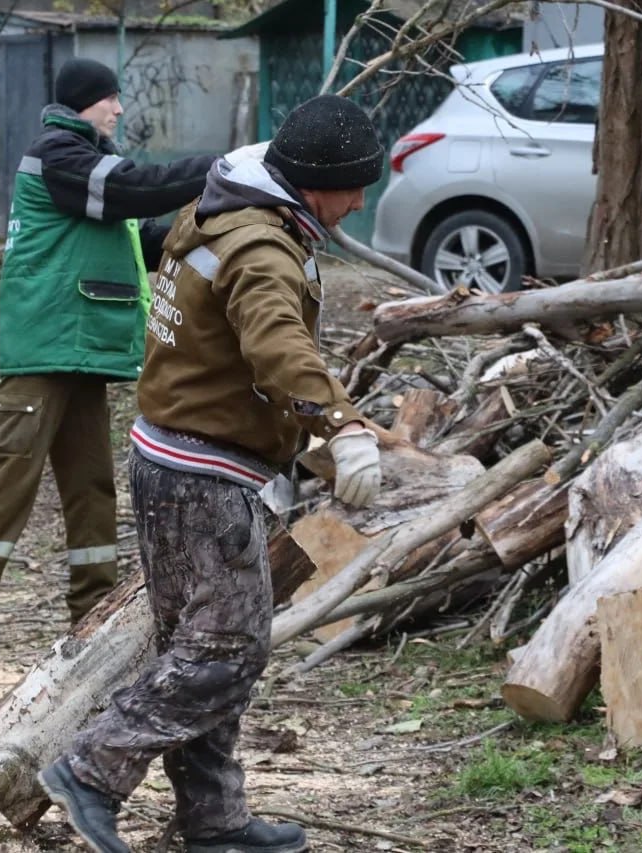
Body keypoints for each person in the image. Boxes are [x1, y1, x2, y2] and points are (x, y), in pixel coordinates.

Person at [37, 94, 386, 853]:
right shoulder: (261, 248)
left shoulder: (224, 204)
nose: (359, 202)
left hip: (170, 453)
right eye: (353, 186)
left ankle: (213, 819)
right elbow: (279, 347)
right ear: (314, 179)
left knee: (197, 643)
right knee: (228, 647)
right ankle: (90, 770)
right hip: (204, 472)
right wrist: (343, 424)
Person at [0, 59, 221, 649]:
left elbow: (133, 234)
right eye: (109, 100)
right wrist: (216, 170)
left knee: (92, 486)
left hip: (82, 349)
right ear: (83, 103)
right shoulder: (60, 156)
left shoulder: (81, 166)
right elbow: (132, 188)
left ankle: (91, 613)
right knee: (13, 475)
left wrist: (206, 221)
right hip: (45, 347)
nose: (118, 110)